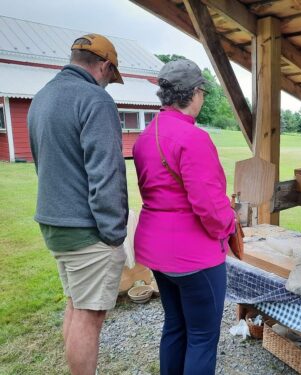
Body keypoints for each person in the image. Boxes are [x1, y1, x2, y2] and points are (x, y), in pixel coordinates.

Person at [28, 34, 128, 375]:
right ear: (103, 65)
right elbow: (107, 174)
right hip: (86, 231)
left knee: (76, 306)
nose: (108, 86)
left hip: (54, 224)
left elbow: (41, 161)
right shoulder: (94, 100)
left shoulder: (42, 97)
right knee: (89, 317)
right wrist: (113, 235)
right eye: (110, 78)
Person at [133, 59, 235, 375]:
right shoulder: (193, 138)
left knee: (175, 325)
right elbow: (210, 207)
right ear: (193, 93)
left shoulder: (146, 134)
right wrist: (230, 225)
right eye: (203, 91)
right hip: (193, 254)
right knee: (202, 337)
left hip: (156, 247)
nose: (203, 98)